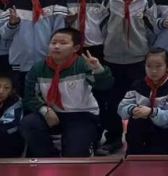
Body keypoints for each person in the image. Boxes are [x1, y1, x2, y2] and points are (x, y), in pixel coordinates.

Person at [19, 28, 113, 157]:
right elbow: (30, 96)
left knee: (75, 155)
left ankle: (85, 144)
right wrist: (44, 110)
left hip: (81, 115)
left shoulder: (83, 64)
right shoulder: (38, 68)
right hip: (52, 114)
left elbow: (105, 86)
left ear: (75, 48)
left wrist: (98, 69)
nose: (56, 46)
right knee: (29, 123)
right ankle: (50, 156)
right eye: (53, 42)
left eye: (63, 43)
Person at [99, 0, 156, 155]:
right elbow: (102, 28)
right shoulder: (109, 0)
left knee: (139, 101)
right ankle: (113, 138)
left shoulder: (147, 0)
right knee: (112, 102)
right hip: (112, 59)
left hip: (138, 59)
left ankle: (136, 140)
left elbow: (151, 30)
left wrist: (143, 50)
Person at [0, 0, 68, 85]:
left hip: (49, 60)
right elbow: (4, 35)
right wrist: (12, 24)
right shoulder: (15, 2)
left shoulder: (56, 1)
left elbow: (60, 32)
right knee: (22, 92)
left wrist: (56, 56)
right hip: (20, 62)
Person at [118, 47, 168, 155]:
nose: (153, 71)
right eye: (149, 66)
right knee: (134, 158)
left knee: (157, 161)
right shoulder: (137, 84)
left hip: (160, 134)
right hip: (136, 133)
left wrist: (152, 112)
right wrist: (132, 109)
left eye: (158, 66)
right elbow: (121, 108)